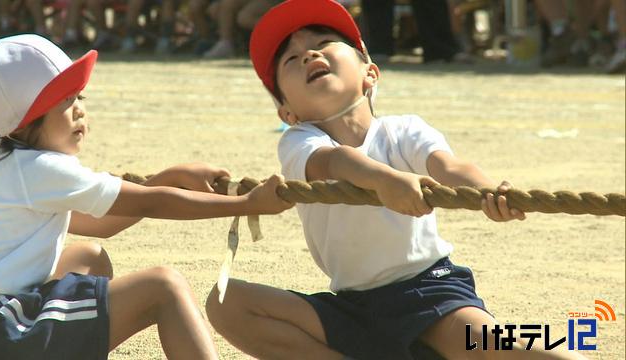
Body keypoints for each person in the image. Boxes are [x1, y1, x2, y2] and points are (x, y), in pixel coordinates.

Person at [205, 1, 587, 359]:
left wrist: (490, 191)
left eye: (323, 43)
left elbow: (449, 168)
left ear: (370, 72)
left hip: (432, 291)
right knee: (224, 302)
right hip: (352, 306)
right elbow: (335, 162)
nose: (308, 54)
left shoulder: (404, 130)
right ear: (286, 111)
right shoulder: (298, 142)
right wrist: (386, 180)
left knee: (533, 351)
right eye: (290, 58)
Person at [0, 34, 293, 359]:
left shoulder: (0, 159)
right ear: (20, 126)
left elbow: (99, 224)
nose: (78, 111)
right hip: (5, 328)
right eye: (63, 101)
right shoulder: (41, 168)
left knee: (90, 258)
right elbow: (151, 202)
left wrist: (172, 177)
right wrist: (247, 204)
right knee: (165, 287)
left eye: (79, 96)